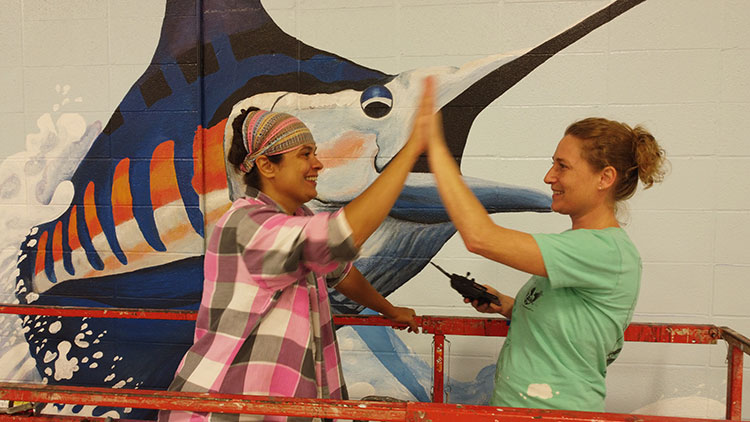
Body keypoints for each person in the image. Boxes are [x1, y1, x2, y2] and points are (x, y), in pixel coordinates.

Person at [158, 78, 437, 422]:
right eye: (305, 154)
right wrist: (411, 151)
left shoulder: (296, 219)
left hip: (278, 405)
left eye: (314, 153)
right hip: (231, 407)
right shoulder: (246, 225)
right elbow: (338, 237)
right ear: (267, 166)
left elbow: (341, 272)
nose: (317, 164)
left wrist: (389, 310)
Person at [424, 109, 667, 411]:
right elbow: (572, 328)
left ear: (604, 177)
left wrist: (437, 153)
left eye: (562, 166)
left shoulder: (603, 251)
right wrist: (510, 306)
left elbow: (480, 237)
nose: (549, 176)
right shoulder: (580, 248)